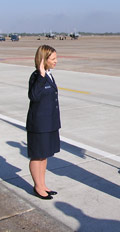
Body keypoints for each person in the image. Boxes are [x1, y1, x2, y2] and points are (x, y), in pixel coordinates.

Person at [26, 45, 61, 200]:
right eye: (53, 59)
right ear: (43, 60)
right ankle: (37, 187)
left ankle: (42, 184)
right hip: (39, 124)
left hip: (49, 123)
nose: (56, 61)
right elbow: (33, 96)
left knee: (44, 155)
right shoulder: (36, 76)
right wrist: (40, 75)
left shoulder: (49, 74)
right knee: (37, 156)